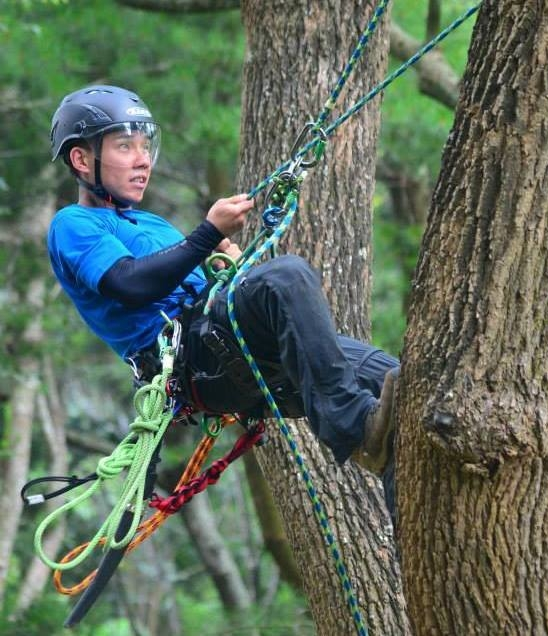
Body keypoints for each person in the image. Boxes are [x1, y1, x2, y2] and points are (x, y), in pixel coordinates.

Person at [47, 84, 399, 484]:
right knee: (285, 275)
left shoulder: (151, 224)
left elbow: (187, 274)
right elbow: (129, 284)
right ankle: (354, 428)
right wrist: (206, 235)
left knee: (399, 385)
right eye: (125, 147)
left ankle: (410, 526)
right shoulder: (74, 225)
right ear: (80, 158)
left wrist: (227, 269)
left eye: (146, 147)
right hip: (193, 357)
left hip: (219, 333)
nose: (143, 161)